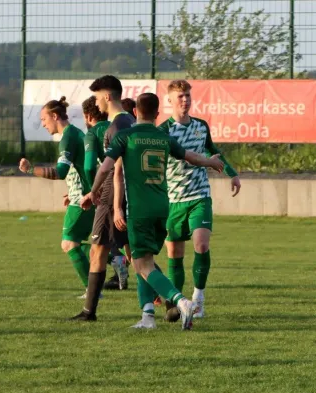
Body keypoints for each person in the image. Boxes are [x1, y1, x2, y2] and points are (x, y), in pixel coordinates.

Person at [80, 93, 225, 329]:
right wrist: (211, 162)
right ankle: (147, 316)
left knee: (142, 264)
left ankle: (180, 301)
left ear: (135, 112)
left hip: (139, 210)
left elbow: (106, 168)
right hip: (164, 207)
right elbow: (191, 157)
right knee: (145, 260)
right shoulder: (163, 136)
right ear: (158, 114)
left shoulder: (126, 136)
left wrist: (92, 191)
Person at [158, 79, 241, 321]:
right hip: (173, 200)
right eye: (180, 96)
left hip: (199, 196)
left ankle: (198, 298)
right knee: (174, 253)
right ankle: (177, 301)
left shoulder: (200, 126)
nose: (185, 100)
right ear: (170, 101)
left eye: (187, 96)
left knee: (201, 245)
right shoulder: (163, 131)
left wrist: (232, 173)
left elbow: (213, 151)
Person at [70, 75, 136, 321]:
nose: (96, 104)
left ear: (107, 96)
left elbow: (111, 167)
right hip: (123, 194)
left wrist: (95, 192)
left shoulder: (115, 126)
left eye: (98, 98)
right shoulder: (130, 120)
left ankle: (89, 312)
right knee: (134, 254)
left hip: (110, 195)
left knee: (99, 251)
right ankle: (169, 301)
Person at [18, 97, 94, 297]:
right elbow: (80, 168)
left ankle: (95, 287)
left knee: (69, 243)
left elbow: (60, 171)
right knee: (74, 243)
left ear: (54, 116)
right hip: (82, 195)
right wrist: (72, 190)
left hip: (83, 200)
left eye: (44, 119)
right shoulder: (75, 134)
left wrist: (30, 169)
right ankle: (111, 258)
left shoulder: (68, 137)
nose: (43, 124)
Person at [82, 95, 127, 291]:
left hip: (107, 191)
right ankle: (165, 300)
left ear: (87, 115)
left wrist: (92, 190)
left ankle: (90, 304)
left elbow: (90, 167)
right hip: (128, 189)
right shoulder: (118, 125)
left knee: (84, 244)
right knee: (133, 250)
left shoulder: (93, 133)